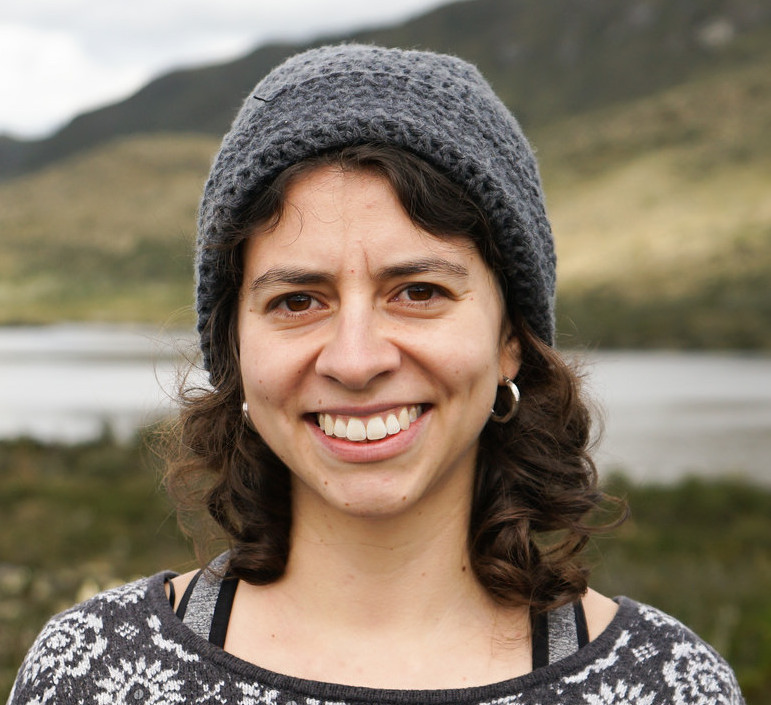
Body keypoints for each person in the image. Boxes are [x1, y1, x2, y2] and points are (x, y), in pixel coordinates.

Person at [8, 44, 744, 705]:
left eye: (417, 292)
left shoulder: (665, 684)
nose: (356, 360)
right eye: (297, 300)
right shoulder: (93, 672)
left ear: (510, 339)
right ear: (234, 347)